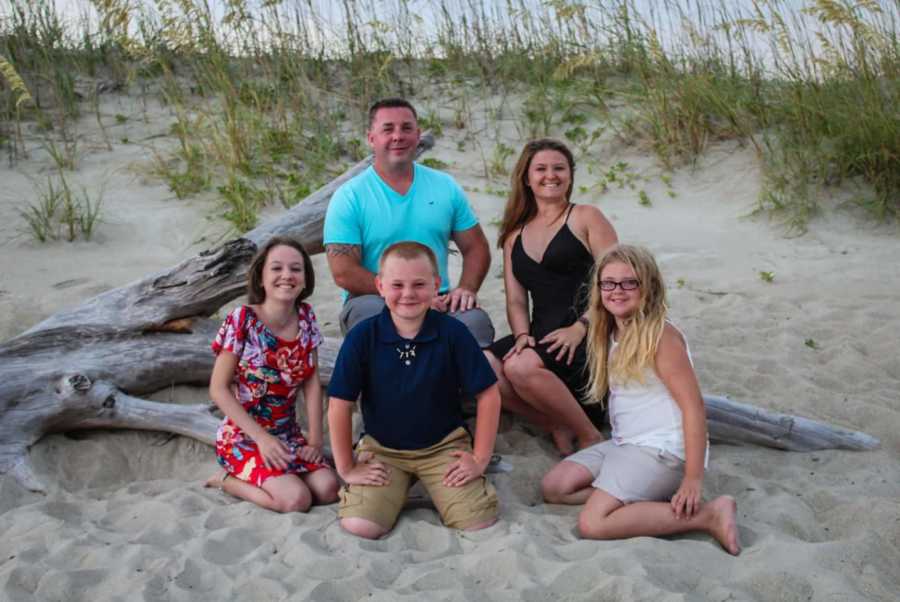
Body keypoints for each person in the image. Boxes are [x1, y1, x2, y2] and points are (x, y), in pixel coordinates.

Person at [540, 245, 740, 555]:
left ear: (648, 287)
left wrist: (692, 478)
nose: (617, 291)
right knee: (555, 487)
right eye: (608, 283)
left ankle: (709, 514)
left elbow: (693, 408)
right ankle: (635, 496)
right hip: (626, 444)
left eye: (628, 283)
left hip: (662, 450)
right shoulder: (611, 329)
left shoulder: (661, 337)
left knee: (593, 523)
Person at [327, 241, 501, 539]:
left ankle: (434, 487)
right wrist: (346, 467)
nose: (408, 294)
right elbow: (340, 403)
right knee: (360, 526)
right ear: (380, 286)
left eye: (419, 284)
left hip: (443, 447)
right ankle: (397, 489)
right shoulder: (362, 337)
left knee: (477, 522)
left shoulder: (453, 334)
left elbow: (488, 394)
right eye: (397, 285)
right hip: (383, 450)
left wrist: (480, 457)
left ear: (436, 285)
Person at [323, 97, 494, 347]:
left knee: (475, 322)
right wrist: (407, 296)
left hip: (438, 298)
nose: (398, 136)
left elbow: (476, 246)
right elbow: (343, 271)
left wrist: (466, 288)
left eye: (406, 128)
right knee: (371, 318)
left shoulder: (445, 187)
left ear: (417, 135)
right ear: (371, 138)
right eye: (388, 129)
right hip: (374, 298)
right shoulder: (349, 196)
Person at [485, 139, 618, 456]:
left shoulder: (586, 217)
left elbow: (616, 282)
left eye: (559, 168)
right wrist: (521, 335)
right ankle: (554, 423)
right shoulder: (513, 235)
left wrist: (581, 326)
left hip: (588, 334)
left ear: (570, 176)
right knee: (479, 365)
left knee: (519, 368)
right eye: (541, 169)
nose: (551, 175)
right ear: (526, 178)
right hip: (541, 335)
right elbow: (516, 300)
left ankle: (589, 436)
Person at [204, 237, 340, 513]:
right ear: (261, 278)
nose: (287, 276)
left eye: (296, 269)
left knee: (328, 490)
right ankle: (226, 480)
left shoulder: (306, 317)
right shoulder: (242, 320)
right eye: (276, 268)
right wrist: (261, 439)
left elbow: (311, 381)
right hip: (244, 436)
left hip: (288, 434)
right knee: (295, 500)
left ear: (305, 279)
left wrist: (314, 440)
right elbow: (218, 389)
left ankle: (285, 474)